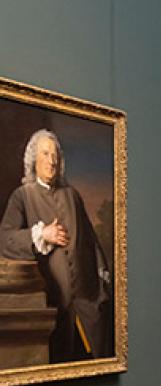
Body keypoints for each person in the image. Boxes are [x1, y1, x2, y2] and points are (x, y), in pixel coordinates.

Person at [0, 129, 113, 362]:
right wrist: (42, 234)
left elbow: (91, 242)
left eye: (55, 155)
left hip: (88, 302)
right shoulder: (22, 196)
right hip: (53, 305)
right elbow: (5, 239)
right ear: (33, 159)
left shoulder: (73, 195)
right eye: (45, 154)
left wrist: (102, 286)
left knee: (96, 364)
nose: (51, 161)